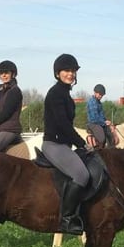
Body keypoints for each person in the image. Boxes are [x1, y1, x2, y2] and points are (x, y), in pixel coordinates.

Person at [41, 53, 90, 234]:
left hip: (63, 145)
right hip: (54, 145)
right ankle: (67, 219)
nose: (70, 74)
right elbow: (63, 125)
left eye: (73, 71)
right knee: (82, 175)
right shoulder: (56, 94)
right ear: (57, 73)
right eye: (66, 71)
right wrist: (82, 143)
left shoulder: (66, 95)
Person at [85, 83, 119, 148]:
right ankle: (97, 152)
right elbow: (94, 118)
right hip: (93, 124)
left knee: (110, 135)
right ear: (95, 92)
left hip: (100, 123)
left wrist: (107, 121)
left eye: (102, 95)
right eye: (99, 94)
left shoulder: (99, 102)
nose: (101, 96)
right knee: (101, 138)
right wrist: (104, 122)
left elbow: (102, 116)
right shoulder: (92, 102)